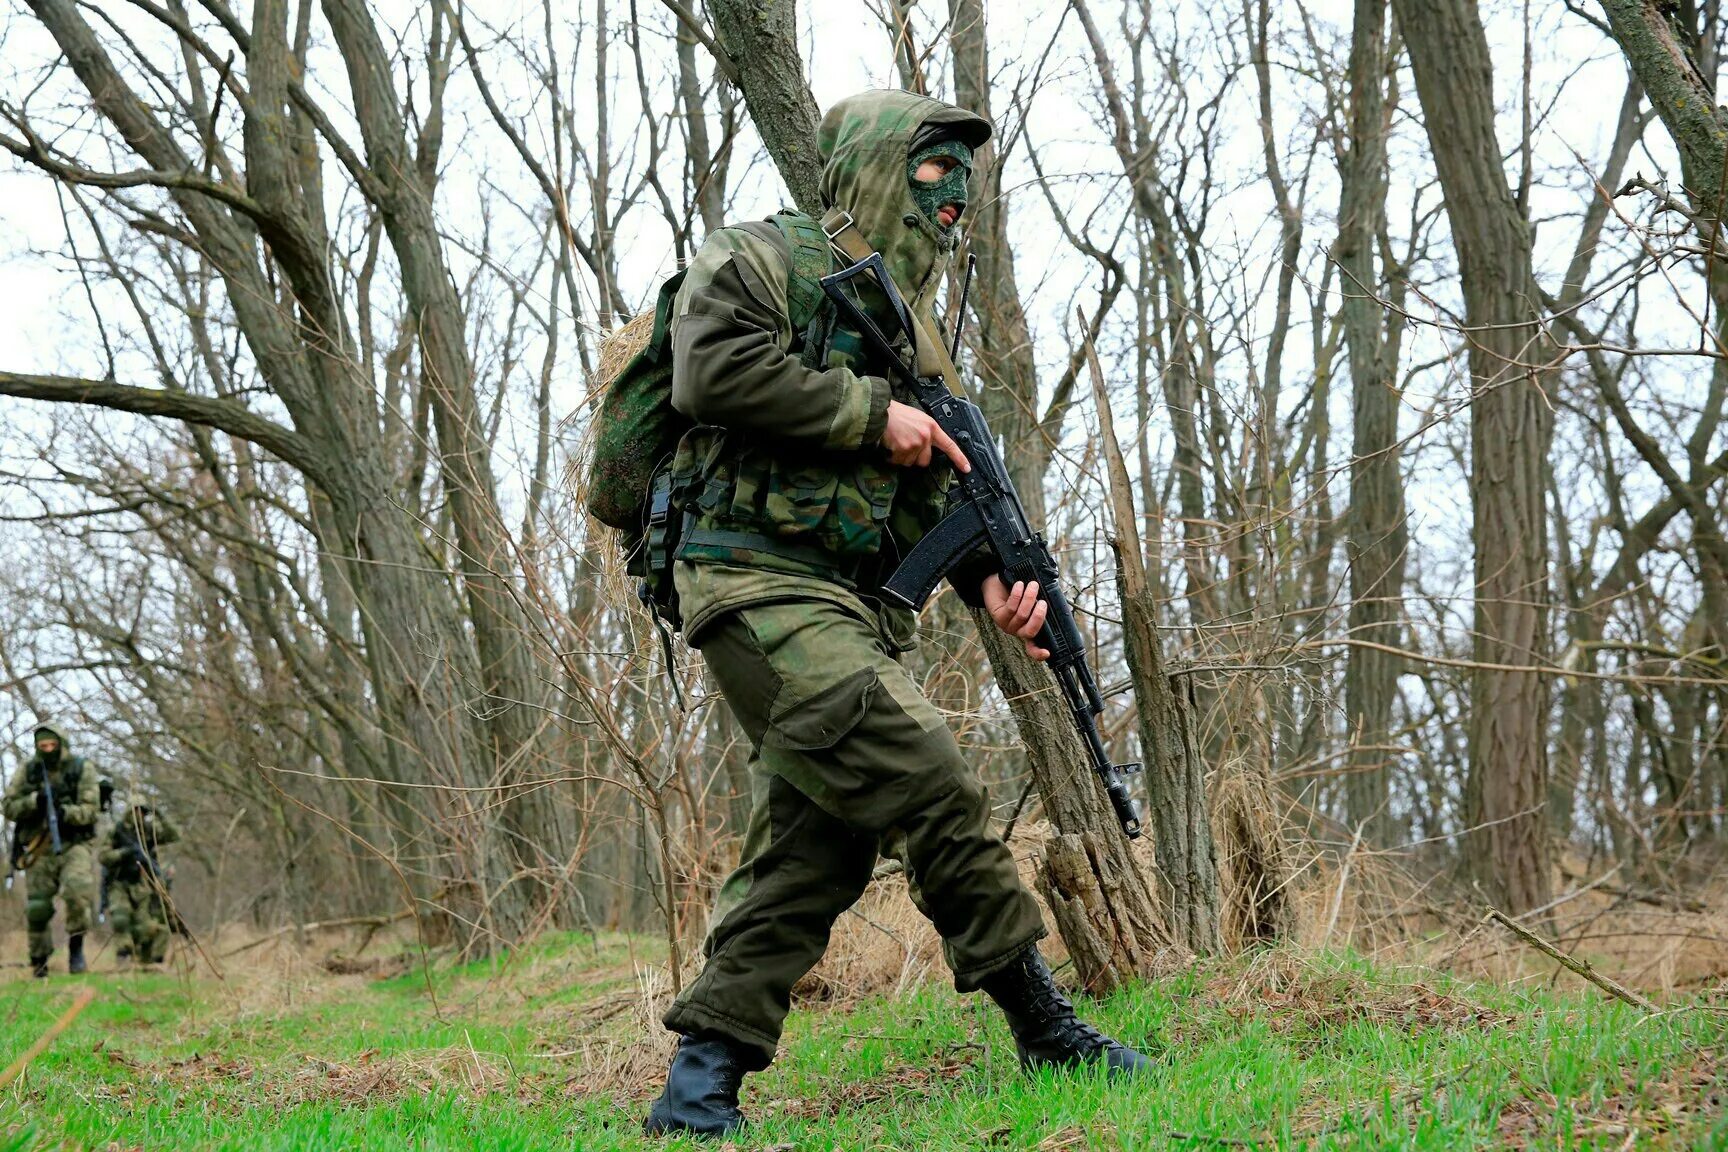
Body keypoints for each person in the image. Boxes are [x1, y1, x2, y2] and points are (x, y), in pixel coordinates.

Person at [642, 89, 1148, 1139]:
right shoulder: (758, 258)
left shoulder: (916, 339)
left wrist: (994, 586)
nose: (951, 195)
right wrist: (874, 416)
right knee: (925, 767)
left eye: (964, 182)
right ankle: (1047, 1030)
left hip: (854, 611)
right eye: (931, 170)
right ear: (875, 164)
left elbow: (937, 500)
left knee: (813, 851)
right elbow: (709, 371)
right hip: (749, 577)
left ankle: (695, 1098)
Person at [1, 723, 101, 977]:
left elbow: (91, 809)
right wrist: (35, 801)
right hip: (39, 846)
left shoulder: (81, 768)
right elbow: (9, 806)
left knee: (78, 893)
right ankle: (39, 960)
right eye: (42, 746)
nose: (47, 750)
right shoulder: (29, 770)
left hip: (73, 843)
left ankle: (76, 949)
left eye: (52, 745)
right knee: (38, 907)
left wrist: (66, 811)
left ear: (61, 744)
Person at [99, 802, 181, 967]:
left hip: (142, 884)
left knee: (147, 927)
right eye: (136, 811)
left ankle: (147, 960)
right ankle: (123, 957)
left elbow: (174, 834)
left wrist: (159, 812)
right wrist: (125, 853)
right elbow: (103, 856)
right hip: (119, 882)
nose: (139, 815)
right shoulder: (116, 831)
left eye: (143, 812)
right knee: (121, 918)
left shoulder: (149, 830)